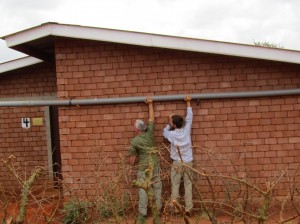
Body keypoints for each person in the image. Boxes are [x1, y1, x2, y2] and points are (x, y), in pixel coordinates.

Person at [129, 97, 162, 222]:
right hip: (155, 165)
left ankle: (142, 214)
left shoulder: (135, 141)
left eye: (134, 127)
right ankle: (157, 211)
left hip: (143, 168)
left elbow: (133, 157)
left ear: (137, 130)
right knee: (157, 187)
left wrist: (131, 167)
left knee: (143, 189)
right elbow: (151, 118)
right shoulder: (150, 133)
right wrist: (150, 104)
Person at [163, 96, 193, 216]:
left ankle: (175, 208)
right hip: (189, 162)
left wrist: (168, 122)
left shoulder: (171, 134)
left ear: (174, 125)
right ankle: (188, 209)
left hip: (177, 162)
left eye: (172, 123)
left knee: (175, 185)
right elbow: (190, 117)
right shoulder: (186, 130)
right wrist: (188, 102)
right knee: (188, 184)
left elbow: (164, 132)